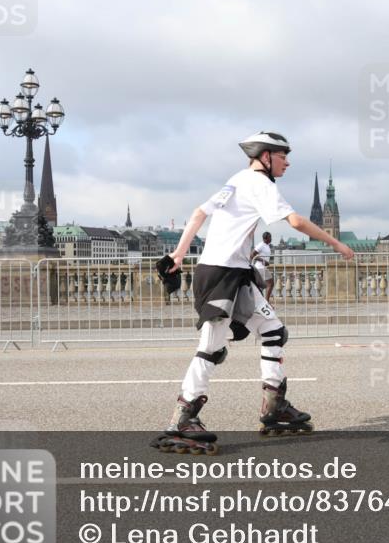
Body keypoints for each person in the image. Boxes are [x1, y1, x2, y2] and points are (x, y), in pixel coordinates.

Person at [151, 131, 354, 454]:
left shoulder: (236, 180)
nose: (287, 161)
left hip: (236, 273)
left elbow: (198, 213)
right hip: (220, 272)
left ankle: (274, 406)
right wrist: (336, 244)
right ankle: (182, 418)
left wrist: (179, 252)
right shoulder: (260, 183)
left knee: (273, 330)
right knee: (212, 347)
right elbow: (297, 221)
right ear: (265, 156)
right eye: (282, 155)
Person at [250, 231, 275, 303]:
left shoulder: (266, 245)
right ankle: (266, 302)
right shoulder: (261, 245)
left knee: (261, 286)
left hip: (262, 268)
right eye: (270, 237)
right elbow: (252, 255)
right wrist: (263, 261)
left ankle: (259, 302)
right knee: (270, 283)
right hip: (260, 268)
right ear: (266, 238)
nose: (271, 239)